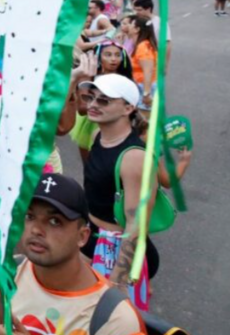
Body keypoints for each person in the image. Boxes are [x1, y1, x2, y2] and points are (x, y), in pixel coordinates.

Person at [78, 74, 188, 312]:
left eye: (104, 100)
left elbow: (136, 224)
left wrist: (118, 279)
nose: (94, 104)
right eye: (91, 97)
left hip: (115, 250)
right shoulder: (98, 135)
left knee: (106, 319)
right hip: (91, 237)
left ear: (128, 107)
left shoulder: (134, 157)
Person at [0, 173, 147, 335]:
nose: (36, 230)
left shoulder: (116, 321)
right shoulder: (7, 274)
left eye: (55, 221)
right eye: (29, 216)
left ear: (82, 236)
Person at [125, 16, 158, 114]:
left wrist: (146, 94)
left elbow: (148, 71)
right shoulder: (140, 45)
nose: (128, 26)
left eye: (131, 24)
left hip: (145, 87)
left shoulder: (143, 47)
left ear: (137, 29)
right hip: (140, 86)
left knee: (145, 119)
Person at [132, 0, 171, 70]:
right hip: (137, 60)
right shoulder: (135, 21)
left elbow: (166, 44)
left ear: (149, 9)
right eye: (135, 10)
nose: (136, 12)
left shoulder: (160, 22)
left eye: (139, 10)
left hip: (153, 59)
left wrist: (165, 63)